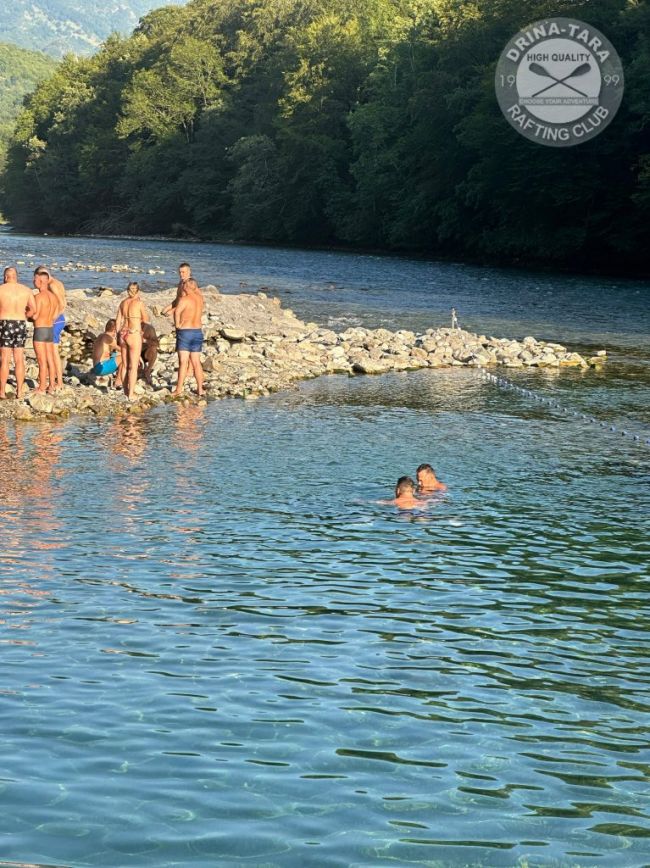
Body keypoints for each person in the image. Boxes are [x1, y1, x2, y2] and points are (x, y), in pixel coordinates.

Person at [0, 269, 36, 399]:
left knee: (5, 359)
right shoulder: (26, 290)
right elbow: (33, 309)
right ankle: (19, 391)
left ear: (5, 277)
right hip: (20, 323)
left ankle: (2, 391)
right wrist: (25, 316)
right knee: (19, 359)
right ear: (16, 276)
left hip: (5, 323)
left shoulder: (1, 289)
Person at [33, 267, 66, 390]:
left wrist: (51, 318)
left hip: (56, 320)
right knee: (51, 352)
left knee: (52, 352)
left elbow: (61, 304)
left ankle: (59, 381)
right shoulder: (57, 282)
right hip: (56, 320)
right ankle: (51, 380)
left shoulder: (53, 285)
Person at [115, 282, 148, 400]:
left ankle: (125, 390)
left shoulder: (123, 303)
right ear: (138, 291)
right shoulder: (139, 303)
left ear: (127, 290)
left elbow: (118, 321)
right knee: (133, 366)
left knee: (124, 364)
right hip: (134, 333)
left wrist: (118, 335)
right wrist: (141, 332)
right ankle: (131, 393)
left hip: (123, 333)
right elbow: (145, 320)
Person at [172, 278, 205, 396]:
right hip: (197, 331)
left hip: (185, 331)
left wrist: (177, 325)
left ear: (186, 287)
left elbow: (177, 312)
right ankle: (200, 389)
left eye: (184, 285)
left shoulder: (184, 299)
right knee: (196, 362)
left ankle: (178, 389)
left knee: (183, 362)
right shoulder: (200, 299)